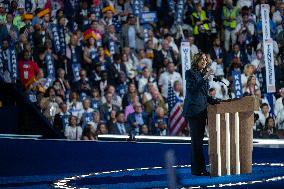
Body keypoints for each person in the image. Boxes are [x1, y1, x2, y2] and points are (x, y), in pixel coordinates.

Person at [183, 52, 218, 176]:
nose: (204, 61)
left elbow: (203, 94)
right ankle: (199, 170)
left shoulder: (203, 74)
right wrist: (205, 77)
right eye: (202, 59)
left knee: (199, 141)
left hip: (202, 111)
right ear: (196, 60)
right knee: (196, 142)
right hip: (194, 111)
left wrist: (214, 100)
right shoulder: (190, 73)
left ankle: (197, 169)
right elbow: (192, 89)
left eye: (205, 59)